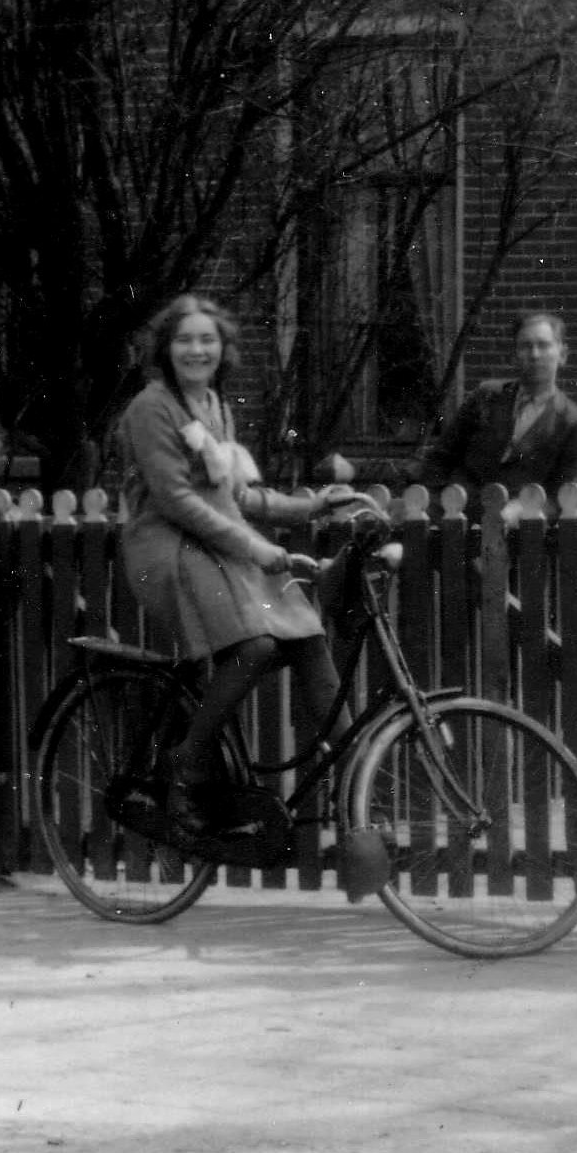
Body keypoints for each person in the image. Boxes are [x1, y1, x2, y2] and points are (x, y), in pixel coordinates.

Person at [111, 292, 367, 833]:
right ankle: (185, 762)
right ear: (165, 348)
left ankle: (357, 781)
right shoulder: (150, 408)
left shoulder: (215, 408)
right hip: (165, 546)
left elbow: (240, 497)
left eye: (207, 340)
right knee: (255, 644)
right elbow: (178, 501)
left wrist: (311, 506)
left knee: (305, 634)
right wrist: (257, 549)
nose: (196, 350)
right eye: (184, 339)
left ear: (223, 349)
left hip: (215, 543)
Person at [416, 312, 577, 496]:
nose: (534, 355)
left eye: (543, 345)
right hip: (458, 514)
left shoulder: (575, 423)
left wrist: (512, 515)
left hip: (522, 520)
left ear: (562, 355)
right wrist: (439, 504)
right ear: (514, 355)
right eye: (526, 346)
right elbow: (440, 459)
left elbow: (560, 497)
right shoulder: (485, 396)